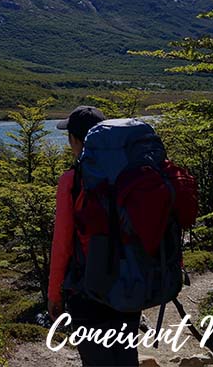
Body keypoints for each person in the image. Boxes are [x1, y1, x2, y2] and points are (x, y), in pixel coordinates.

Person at [47, 105, 141, 367]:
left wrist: (54, 293)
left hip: (89, 289)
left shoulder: (73, 181)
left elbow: (62, 242)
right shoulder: (132, 175)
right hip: (130, 285)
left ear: (74, 140)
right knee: (126, 360)